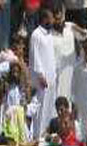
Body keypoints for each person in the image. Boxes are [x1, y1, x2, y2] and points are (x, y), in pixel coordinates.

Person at [30, 9, 58, 138]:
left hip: (51, 77)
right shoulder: (36, 34)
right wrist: (40, 75)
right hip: (41, 80)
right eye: (51, 18)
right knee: (40, 109)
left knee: (49, 108)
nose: (54, 20)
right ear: (45, 19)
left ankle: (46, 134)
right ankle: (38, 136)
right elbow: (35, 56)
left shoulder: (49, 35)